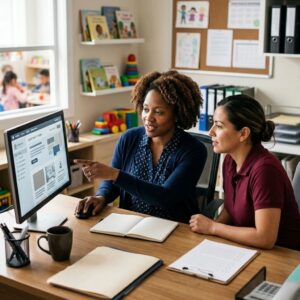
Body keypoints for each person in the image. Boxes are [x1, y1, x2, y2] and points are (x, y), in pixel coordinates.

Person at [75, 70, 207, 223]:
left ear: (177, 115)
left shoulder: (194, 150)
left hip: (175, 229)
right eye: (145, 109)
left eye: (159, 112)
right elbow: (112, 184)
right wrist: (101, 197)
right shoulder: (130, 138)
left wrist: (116, 174)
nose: (148, 118)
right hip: (131, 225)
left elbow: (166, 198)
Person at [189, 95, 300, 250]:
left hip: (284, 256)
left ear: (243, 134)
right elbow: (229, 209)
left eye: (219, 126)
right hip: (246, 248)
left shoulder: (265, 170)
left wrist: (213, 227)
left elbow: (265, 238)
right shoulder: (229, 160)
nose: (210, 132)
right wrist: (209, 236)